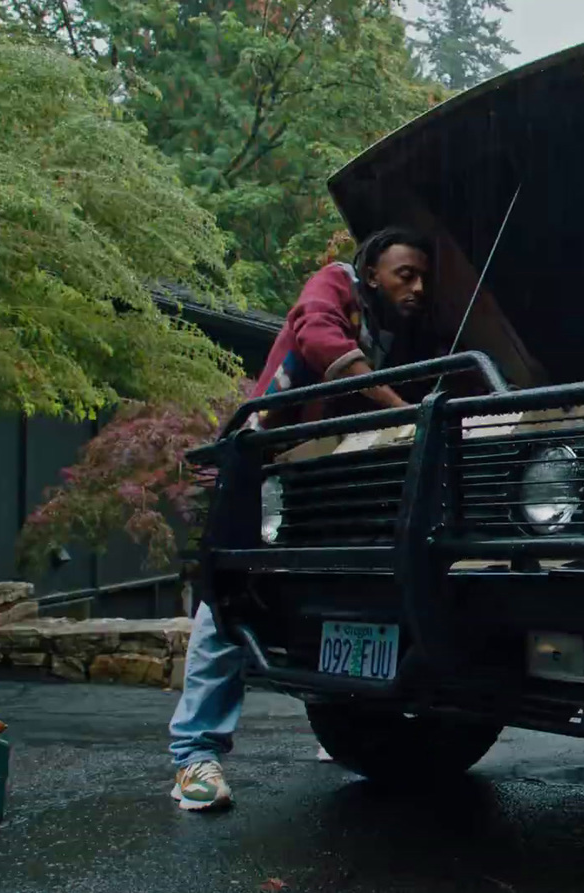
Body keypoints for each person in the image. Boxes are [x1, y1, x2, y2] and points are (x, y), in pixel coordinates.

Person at [169, 227, 437, 811]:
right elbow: (318, 340)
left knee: (344, 590)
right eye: (405, 275)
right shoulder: (332, 285)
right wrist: (409, 412)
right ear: (371, 274)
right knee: (230, 601)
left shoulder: (401, 329)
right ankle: (195, 756)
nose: (417, 286)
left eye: (423, 277)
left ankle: (353, 719)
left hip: (326, 473)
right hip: (263, 462)